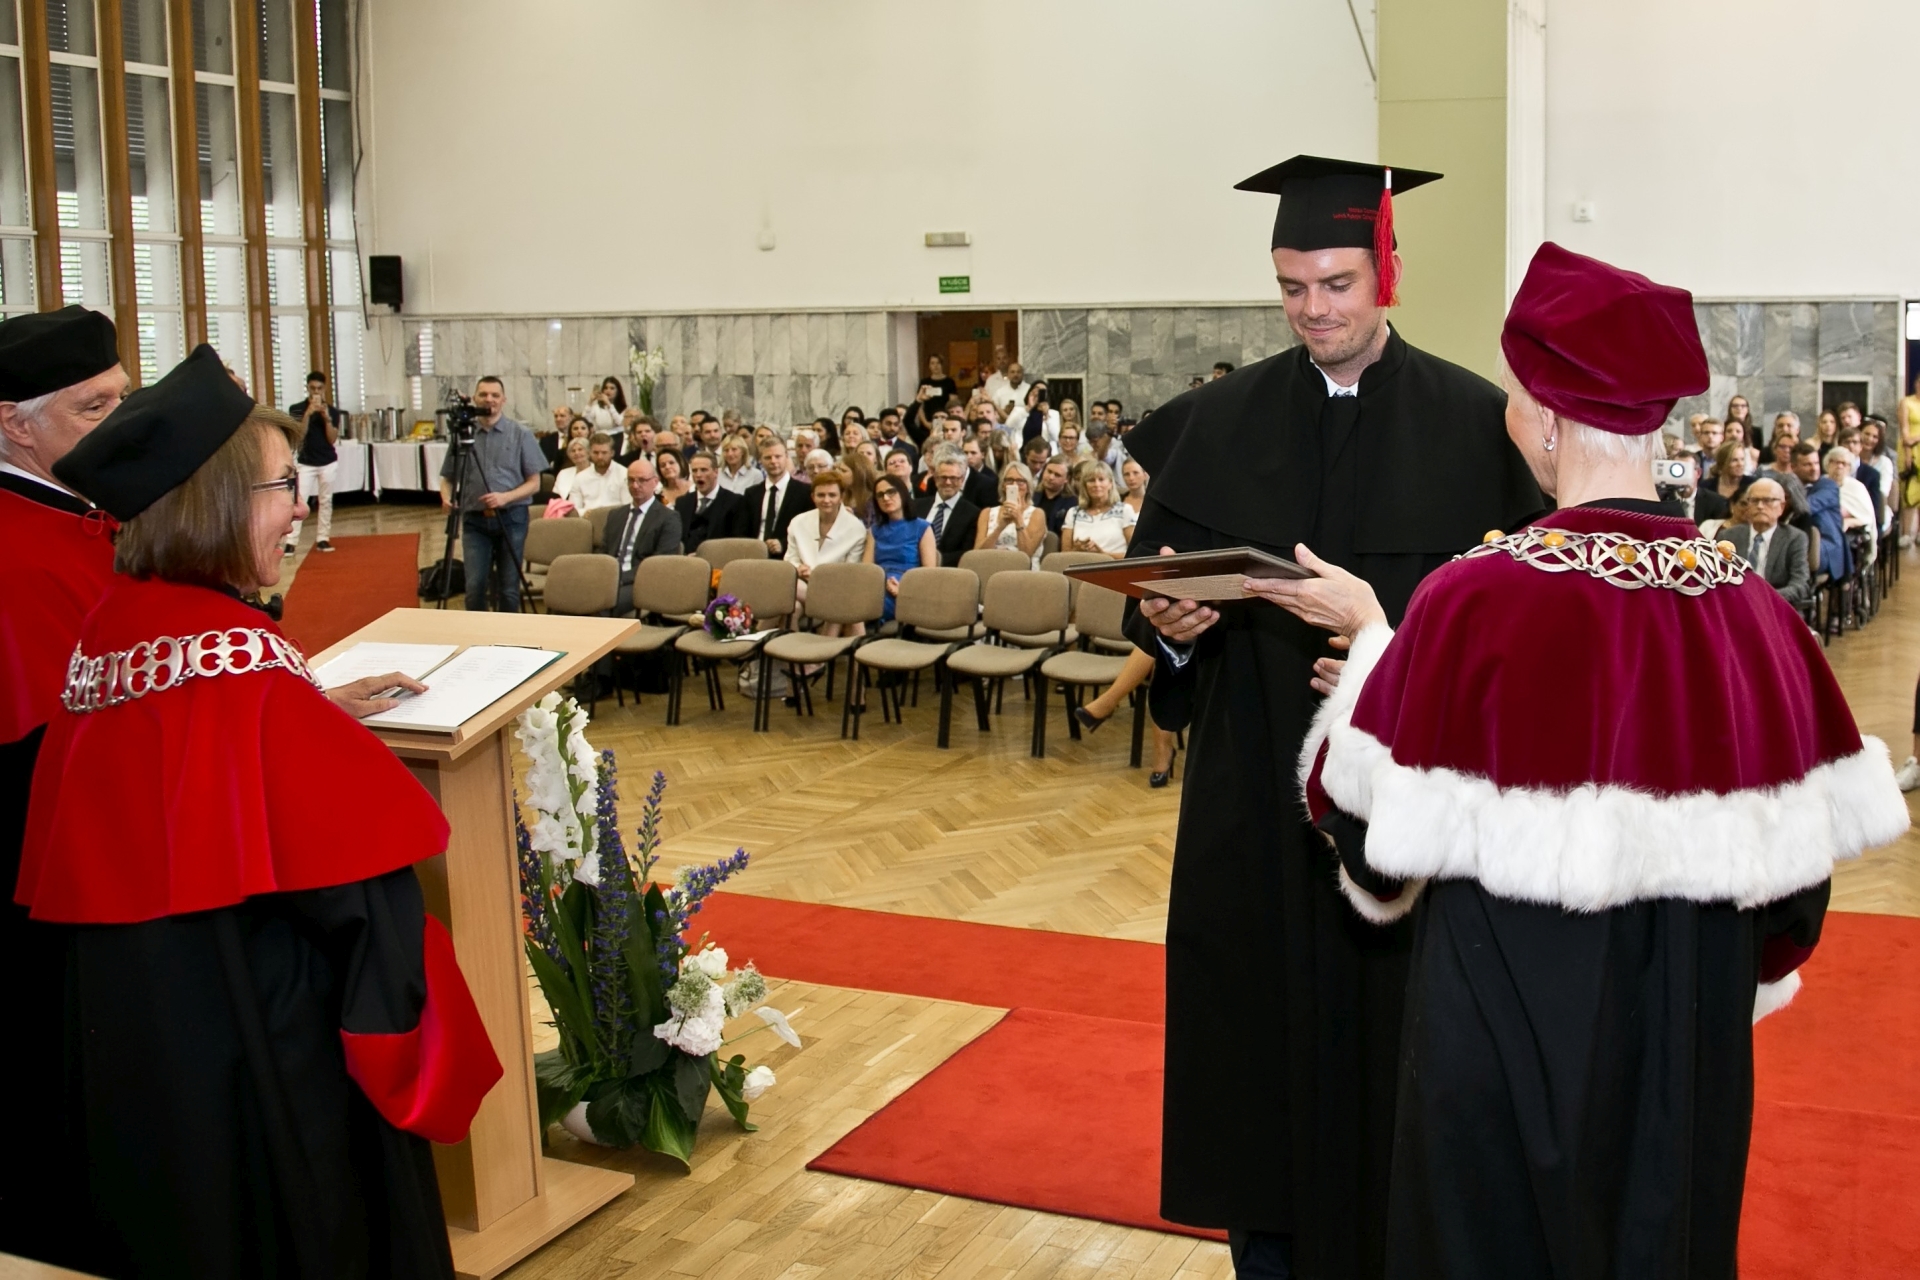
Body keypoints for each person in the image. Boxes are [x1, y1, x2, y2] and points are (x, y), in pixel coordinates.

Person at [1276, 242, 1904, 1279]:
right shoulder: (1754, 610)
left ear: (1549, 417)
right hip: (1684, 1066)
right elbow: (1794, 912)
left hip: (1493, 1049)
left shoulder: (1472, 597)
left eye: (1516, 394)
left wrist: (1375, 648)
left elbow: (1371, 844)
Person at [1123, 155, 1542, 1277]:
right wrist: (1173, 626)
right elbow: (1151, 602)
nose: (1314, 309)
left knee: (1403, 1064)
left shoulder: (1477, 424)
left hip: (1407, 821)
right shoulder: (1217, 424)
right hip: (1253, 802)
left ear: (1386, 274)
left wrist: (1387, 647)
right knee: (1254, 1068)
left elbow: (1518, 641)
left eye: (1338, 284)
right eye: (1292, 286)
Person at [27, 345, 502, 1278]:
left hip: (144, 1061)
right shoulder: (239, 662)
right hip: (263, 1061)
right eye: (283, 486)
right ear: (211, 505)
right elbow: (365, 909)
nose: (296, 508)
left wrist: (308, 709)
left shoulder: (114, 630)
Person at [0, 306, 129, 1265]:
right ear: (15, 422)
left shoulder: (79, 504)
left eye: (123, 399)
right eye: (93, 408)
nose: (119, 424)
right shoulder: (16, 544)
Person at [440, 376, 545, 612]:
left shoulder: (520, 434)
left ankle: (507, 633)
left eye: (495, 395)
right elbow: (448, 477)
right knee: (475, 586)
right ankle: (478, 632)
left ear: (503, 400)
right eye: (483, 395)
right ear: (475, 399)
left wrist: (505, 497)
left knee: (509, 588)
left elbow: (535, 483)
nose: (489, 400)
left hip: (512, 518)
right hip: (474, 520)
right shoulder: (464, 435)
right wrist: (445, 496)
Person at [784, 466, 867, 631]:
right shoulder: (798, 522)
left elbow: (850, 571)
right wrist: (798, 568)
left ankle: (753, 637)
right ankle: (791, 647)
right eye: (821, 495)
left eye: (832, 495)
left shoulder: (856, 528)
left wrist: (817, 576)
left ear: (841, 497)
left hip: (836, 589)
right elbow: (790, 559)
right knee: (792, 605)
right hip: (801, 584)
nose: (826, 500)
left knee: (788, 595)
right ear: (813, 497)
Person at [604, 457, 683, 616]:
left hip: (640, 581)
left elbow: (661, 562)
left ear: (655, 482)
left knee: (602, 604)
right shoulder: (615, 515)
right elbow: (604, 551)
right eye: (631, 480)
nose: (635, 485)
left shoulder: (668, 518)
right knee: (570, 601)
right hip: (608, 577)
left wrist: (620, 577)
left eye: (642, 480)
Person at [1722, 477, 1812, 610]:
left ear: (1781, 507)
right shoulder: (1728, 536)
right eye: (1754, 501)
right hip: (1736, 606)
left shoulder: (1794, 538)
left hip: (1775, 608)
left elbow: (1800, 584)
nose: (1760, 506)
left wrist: (1764, 597)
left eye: (1767, 501)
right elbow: (1718, 578)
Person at [286, 369, 344, 554]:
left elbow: (332, 439)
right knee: (299, 501)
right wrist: (308, 414)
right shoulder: (296, 409)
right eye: (312, 388)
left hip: (327, 461)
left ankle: (323, 538)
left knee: (326, 501)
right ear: (308, 388)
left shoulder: (332, 411)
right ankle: (291, 541)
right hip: (305, 462)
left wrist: (327, 419)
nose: (316, 392)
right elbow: (298, 435)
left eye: (319, 388)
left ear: (324, 389)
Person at [864, 474, 935, 621]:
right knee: (847, 604)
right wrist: (883, 582)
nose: (885, 498)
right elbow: (866, 569)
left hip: (905, 589)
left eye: (891, 492)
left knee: (853, 607)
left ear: (902, 493)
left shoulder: (922, 527)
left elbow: (929, 573)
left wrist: (904, 589)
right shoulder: (874, 530)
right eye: (880, 495)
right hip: (876, 584)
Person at [744, 438, 813, 558]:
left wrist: (783, 544)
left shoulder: (804, 492)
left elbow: (808, 530)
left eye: (778, 456)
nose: (773, 461)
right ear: (760, 460)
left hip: (788, 556)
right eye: (768, 457)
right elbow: (745, 531)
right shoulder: (752, 493)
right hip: (755, 556)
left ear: (786, 457)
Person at [971, 461, 1047, 566]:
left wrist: (1018, 520)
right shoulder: (986, 513)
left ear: (1028, 486)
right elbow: (977, 555)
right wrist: (1000, 528)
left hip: (1022, 571)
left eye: (1020, 481)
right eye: (1009, 480)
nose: (1014, 485)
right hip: (990, 567)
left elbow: (1026, 555)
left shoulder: (1037, 514)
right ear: (1003, 485)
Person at [915, 448, 980, 567]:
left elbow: (966, 553)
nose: (948, 482)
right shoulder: (916, 506)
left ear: (962, 480)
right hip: (912, 569)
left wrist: (931, 560)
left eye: (953, 478)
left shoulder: (972, 513)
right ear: (935, 479)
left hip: (948, 572)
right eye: (943, 477)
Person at [676, 450, 750, 549]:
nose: (698, 475)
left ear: (715, 472)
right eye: (694, 471)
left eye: (703, 470)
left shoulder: (735, 502)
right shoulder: (682, 503)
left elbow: (737, 542)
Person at [1061, 462, 1137, 557]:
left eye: (1101, 479)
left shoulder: (1125, 510)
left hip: (1113, 565)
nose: (1096, 484)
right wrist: (1077, 550)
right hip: (1081, 564)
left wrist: (1102, 555)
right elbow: (1064, 555)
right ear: (1084, 485)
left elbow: (1134, 554)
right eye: (1091, 480)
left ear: (1110, 483)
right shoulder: (1073, 513)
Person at [563, 432, 628, 511]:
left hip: (615, 516)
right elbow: (574, 509)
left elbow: (627, 506)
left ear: (612, 453)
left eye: (604, 453)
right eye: (596, 453)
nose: (600, 457)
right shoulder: (580, 478)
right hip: (587, 517)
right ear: (589, 452)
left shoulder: (624, 474)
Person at [909, 355, 959, 442]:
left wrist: (948, 421)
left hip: (945, 420)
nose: (935, 366)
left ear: (942, 365)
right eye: (932, 363)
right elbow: (919, 404)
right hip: (928, 421)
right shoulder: (924, 382)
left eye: (938, 363)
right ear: (929, 366)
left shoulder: (949, 382)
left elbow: (953, 404)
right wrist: (925, 423)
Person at [1035, 455, 1077, 533]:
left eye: (1057, 475)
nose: (1051, 477)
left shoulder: (1073, 503)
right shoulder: (1032, 496)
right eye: (1049, 471)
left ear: (1067, 479)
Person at [550, 436, 593, 504]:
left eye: (580, 449)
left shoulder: (597, 471)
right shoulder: (563, 473)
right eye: (573, 451)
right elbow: (555, 497)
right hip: (563, 508)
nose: (576, 453)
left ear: (588, 452)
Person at [960, 436, 999, 509]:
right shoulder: (958, 474)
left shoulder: (991, 479)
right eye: (965, 453)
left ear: (983, 455)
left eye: (973, 453)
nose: (968, 457)